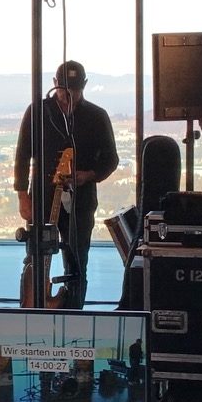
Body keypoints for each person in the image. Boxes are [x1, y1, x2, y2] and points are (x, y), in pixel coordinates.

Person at [15, 59, 120, 309]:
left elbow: (111, 159)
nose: (68, 94)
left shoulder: (97, 116)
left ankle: (74, 312)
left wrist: (88, 175)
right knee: (35, 258)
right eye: (63, 88)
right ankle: (31, 308)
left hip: (80, 202)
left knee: (77, 262)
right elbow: (22, 154)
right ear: (54, 84)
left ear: (84, 85)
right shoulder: (38, 112)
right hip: (42, 198)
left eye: (74, 88)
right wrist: (22, 195)